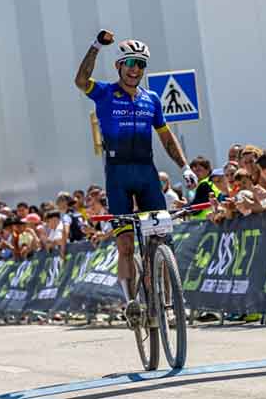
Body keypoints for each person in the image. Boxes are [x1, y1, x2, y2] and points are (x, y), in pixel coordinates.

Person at [74, 30, 195, 322]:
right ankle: (131, 302)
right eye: (130, 62)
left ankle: (167, 304)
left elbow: (166, 137)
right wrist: (96, 46)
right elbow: (80, 81)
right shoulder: (105, 93)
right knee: (126, 245)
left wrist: (185, 167)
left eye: (140, 64)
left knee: (162, 240)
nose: (135, 69)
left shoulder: (151, 99)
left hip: (146, 174)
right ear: (119, 66)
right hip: (118, 176)